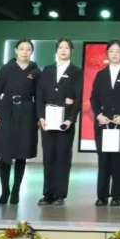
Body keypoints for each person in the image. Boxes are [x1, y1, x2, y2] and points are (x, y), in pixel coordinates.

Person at [0, 39, 41, 205]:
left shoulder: (36, 71)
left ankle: (16, 191)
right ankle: (4, 190)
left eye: (28, 49)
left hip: (27, 112)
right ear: (16, 50)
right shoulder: (6, 68)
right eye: (22, 49)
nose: (25, 52)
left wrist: (38, 116)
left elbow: (39, 96)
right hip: (6, 111)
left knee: (22, 153)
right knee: (5, 152)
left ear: (32, 52)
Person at [90, 40, 120, 207]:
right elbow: (94, 98)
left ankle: (117, 195)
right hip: (103, 123)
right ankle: (102, 195)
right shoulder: (101, 74)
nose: (114, 54)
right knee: (103, 160)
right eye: (111, 51)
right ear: (107, 54)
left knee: (119, 160)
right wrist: (99, 115)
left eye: (118, 51)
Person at [36, 38, 83, 207]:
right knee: (49, 157)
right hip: (47, 121)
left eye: (67, 48)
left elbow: (78, 97)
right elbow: (40, 94)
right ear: (56, 50)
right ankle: (47, 193)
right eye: (60, 47)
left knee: (63, 157)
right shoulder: (47, 70)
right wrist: (41, 117)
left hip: (65, 121)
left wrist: (71, 119)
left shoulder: (77, 71)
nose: (63, 50)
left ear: (72, 51)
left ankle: (60, 194)